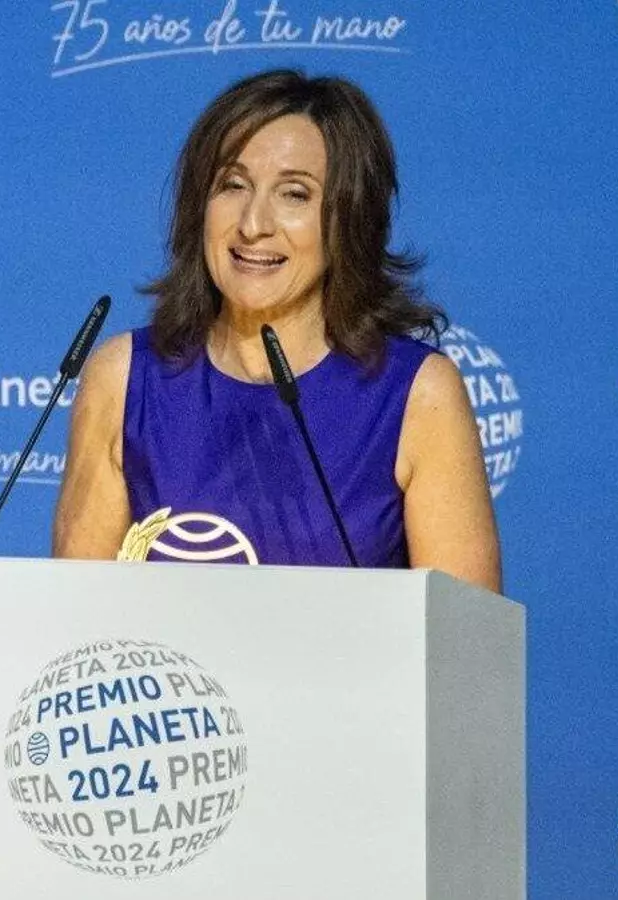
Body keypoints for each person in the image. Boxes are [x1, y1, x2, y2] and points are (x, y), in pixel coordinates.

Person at [52, 69, 501, 593]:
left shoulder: (417, 394)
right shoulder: (125, 378)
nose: (253, 224)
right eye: (232, 185)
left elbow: (464, 638)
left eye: (294, 194)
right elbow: (76, 622)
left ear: (348, 218)